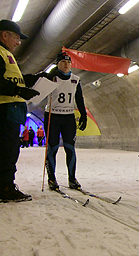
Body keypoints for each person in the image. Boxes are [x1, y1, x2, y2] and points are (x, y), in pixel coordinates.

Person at [0, 20, 40, 202]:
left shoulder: (7, 55)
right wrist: (18, 91)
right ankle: (6, 188)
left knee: (9, 149)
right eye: (16, 37)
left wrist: (32, 80)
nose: (18, 42)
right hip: (5, 110)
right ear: (4, 35)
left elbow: (13, 80)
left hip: (11, 110)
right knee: (7, 150)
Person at [43, 52, 87, 190]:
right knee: (53, 148)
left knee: (70, 148)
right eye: (63, 62)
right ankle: (52, 179)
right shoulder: (51, 77)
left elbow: (79, 99)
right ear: (58, 64)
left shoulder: (75, 79)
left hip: (68, 117)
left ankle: (72, 178)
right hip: (52, 116)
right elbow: (40, 90)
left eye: (68, 62)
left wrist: (84, 115)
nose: (66, 64)